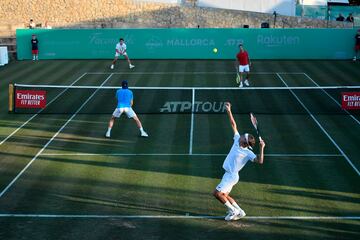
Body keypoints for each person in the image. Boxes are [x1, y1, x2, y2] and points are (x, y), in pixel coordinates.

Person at [213, 102, 265, 221]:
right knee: (225, 195)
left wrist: (262, 148)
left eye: (243, 136)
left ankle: (233, 210)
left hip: (231, 176)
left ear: (244, 142)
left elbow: (260, 161)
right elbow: (233, 124)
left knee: (217, 194)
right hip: (230, 174)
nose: (241, 135)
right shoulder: (237, 139)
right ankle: (240, 211)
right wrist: (229, 111)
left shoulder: (248, 153)